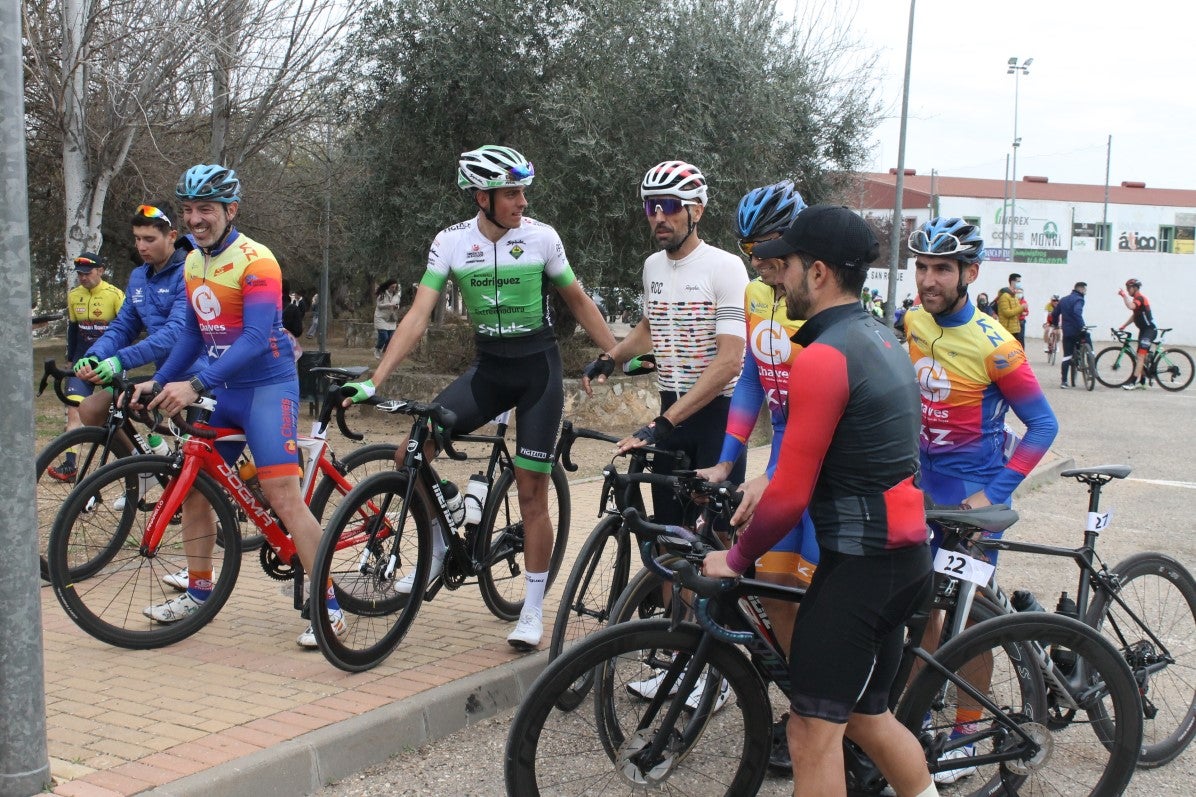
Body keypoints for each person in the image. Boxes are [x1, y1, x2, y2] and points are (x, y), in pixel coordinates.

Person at [341, 145, 616, 650]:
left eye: (523, 191)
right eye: (512, 192)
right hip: (489, 371)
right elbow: (418, 314)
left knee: (532, 493)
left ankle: (531, 610)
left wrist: (616, 353)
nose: (523, 202)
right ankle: (443, 541)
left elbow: (577, 300)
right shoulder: (450, 242)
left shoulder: (542, 239)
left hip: (538, 372)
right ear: (482, 196)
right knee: (410, 452)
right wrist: (375, 379)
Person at [702, 205, 936, 797]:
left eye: (788, 265)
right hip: (902, 560)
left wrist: (732, 560)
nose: (778, 278)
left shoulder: (824, 358)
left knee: (811, 733)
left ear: (821, 272)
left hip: (862, 568)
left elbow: (789, 497)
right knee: (868, 719)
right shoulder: (883, 339)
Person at [131, 163, 337, 649]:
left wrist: (195, 383)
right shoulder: (192, 262)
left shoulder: (256, 260)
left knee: (283, 495)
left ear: (230, 210)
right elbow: (189, 335)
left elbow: (253, 337)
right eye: (187, 210)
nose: (195, 219)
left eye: (205, 209)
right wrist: (158, 380)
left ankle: (327, 603)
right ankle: (200, 591)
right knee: (196, 490)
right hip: (226, 390)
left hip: (268, 387)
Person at [904, 217, 1058, 783]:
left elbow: (1042, 427)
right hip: (923, 491)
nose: (928, 279)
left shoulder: (998, 346)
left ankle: (970, 729)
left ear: (970, 273)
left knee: (969, 621)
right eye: (921, 267)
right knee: (923, 608)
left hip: (974, 501)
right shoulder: (914, 321)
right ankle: (921, 708)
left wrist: (990, 496)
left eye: (942, 268)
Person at [691, 180, 817, 772]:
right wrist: (727, 457)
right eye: (752, 254)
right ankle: (806, 708)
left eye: (772, 254)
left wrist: (783, 472)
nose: (762, 266)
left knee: (821, 599)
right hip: (785, 455)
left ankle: (840, 717)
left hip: (825, 461)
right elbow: (751, 381)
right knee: (778, 591)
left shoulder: (817, 299)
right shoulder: (754, 293)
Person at [585, 160, 749, 526]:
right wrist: (611, 357)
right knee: (666, 535)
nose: (659, 216)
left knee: (718, 537)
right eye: (651, 206)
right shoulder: (652, 266)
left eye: (671, 206)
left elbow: (729, 361)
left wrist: (663, 423)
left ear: (697, 211)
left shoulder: (726, 267)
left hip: (717, 418)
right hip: (670, 411)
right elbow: (649, 326)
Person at [71, 202, 203, 452]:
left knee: (191, 466)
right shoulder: (139, 276)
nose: (141, 246)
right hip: (166, 374)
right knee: (91, 408)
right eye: (137, 238)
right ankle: (142, 473)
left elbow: (176, 332)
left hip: (201, 376)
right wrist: (94, 356)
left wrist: (120, 361)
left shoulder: (191, 270)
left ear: (172, 236)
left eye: (149, 239)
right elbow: (123, 326)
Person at [46, 252, 125, 482]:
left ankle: (129, 463)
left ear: (100, 271)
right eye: (79, 274)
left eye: (87, 273)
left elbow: (126, 330)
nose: (82, 278)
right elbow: (73, 330)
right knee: (74, 411)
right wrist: (71, 358)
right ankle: (70, 466)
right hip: (82, 361)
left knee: (117, 415)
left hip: (110, 363)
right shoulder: (74, 296)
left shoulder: (115, 295)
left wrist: (123, 360)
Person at [1117, 278, 1157, 390]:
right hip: (1144, 331)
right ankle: (1142, 382)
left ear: (1134, 288)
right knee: (1141, 357)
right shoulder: (1136, 299)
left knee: (1140, 357)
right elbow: (1135, 315)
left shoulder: (1140, 298)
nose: (1127, 290)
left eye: (1128, 288)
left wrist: (1123, 296)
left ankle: (1132, 383)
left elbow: (1131, 307)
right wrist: (1124, 325)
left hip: (1149, 330)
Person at [1051, 282, 1088, 389]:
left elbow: (1054, 314)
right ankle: (1092, 362)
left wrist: (1055, 325)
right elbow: (1077, 312)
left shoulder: (1063, 300)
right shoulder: (1079, 299)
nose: (1085, 292)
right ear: (1080, 290)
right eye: (1085, 290)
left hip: (1067, 331)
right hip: (1077, 330)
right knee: (1088, 338)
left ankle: (1064, 381)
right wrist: (1082, 326)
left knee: (1067, 355)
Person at [373, 279, 401, 359]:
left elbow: (397, 304)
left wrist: (396, 306)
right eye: (392, 287)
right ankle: (377, 349)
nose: (393, 289)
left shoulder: (396, 295)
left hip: (391, 319)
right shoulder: (382, 293)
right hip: (381, 317)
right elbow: (379, 305)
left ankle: (386, 353)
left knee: (390, 339)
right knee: (384, 336)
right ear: (388, 285)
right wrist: (390, 305)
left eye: (395, 287)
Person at [995, 272, 1024, 347]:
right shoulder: (1004, 296)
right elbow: (1007, 313)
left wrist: (1022, 309)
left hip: (1016, 329)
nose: (1019, 283)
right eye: (1018, 281)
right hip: (1007, 330)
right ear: (1012, 282)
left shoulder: (1014, 295)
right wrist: (1022, 307)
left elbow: (1017, 312)